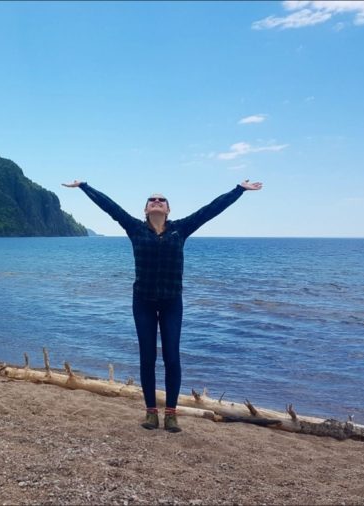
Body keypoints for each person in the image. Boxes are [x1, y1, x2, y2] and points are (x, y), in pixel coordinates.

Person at [62, 178, 263, 432]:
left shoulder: (181, 229)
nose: (157, 202)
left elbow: (211, 209)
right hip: (143, 302)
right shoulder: (135, 229)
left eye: (162, 200)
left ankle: (171, 414)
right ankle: (150, 413)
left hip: (171, 303)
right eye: (152, 200)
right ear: (146, 210)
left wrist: (239, 190)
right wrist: (84, 186)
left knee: (171, 357)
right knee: (147, 357)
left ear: (168, 210)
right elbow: (109, 207)